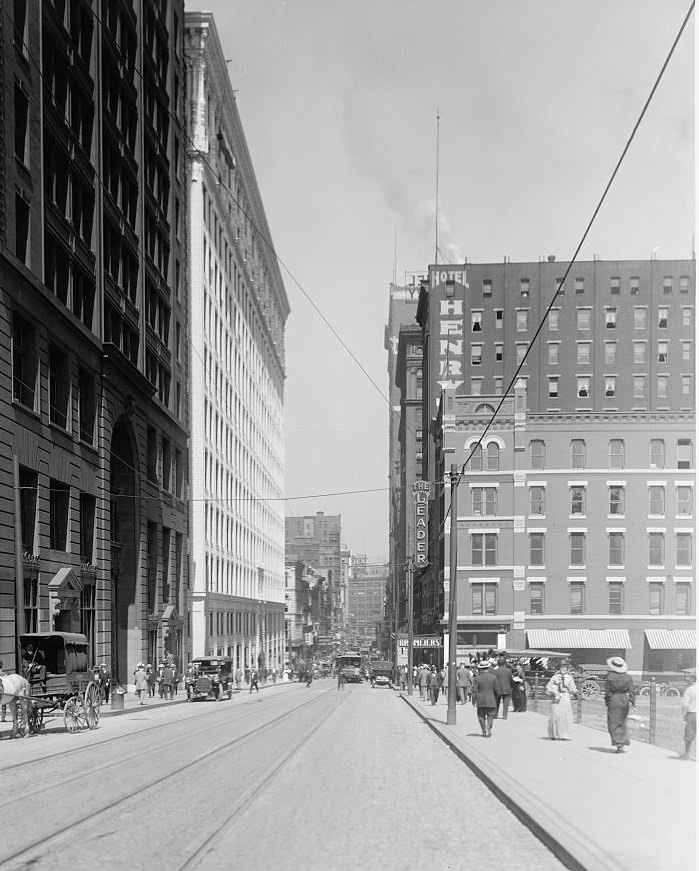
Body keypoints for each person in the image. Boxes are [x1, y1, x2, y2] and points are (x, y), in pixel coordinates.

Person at [604, 656, 636, 753]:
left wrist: (607, 701)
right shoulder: (628, 677)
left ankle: (618, 743)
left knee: (613, 722)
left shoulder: (609, 677)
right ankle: (622, 741)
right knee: (622, 721)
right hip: (624, 699)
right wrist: (633, 702)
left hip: (614, 699)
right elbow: (631, 691)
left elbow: (607, 691)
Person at [546, 661, 577, 739]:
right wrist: (554, 691)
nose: (564, 669)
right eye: (562, 667)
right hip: (556, 698)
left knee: (565, 716)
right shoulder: (555, 677)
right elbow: (548, 687)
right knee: (555, 715)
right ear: (559, 668)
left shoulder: (569, 678)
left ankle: (564, 735)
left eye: (565, 668)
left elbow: (572, 688)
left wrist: (575, 691)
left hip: (565, 697)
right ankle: (554, 734)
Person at [473, 660, 498, 737]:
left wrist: (473, 701)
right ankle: (489, 726)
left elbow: (474, 690)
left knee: (481, 716)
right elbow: (497, 690)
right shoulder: (493, 677)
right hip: (491, 700)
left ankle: (484, 730)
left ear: (480, 669)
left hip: (481, 700)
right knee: (490, 715)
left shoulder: (477, 678)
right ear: (488, 667)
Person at [681, 671, 696, 760]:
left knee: (689, 735)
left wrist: (684, 714)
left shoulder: (690, 690)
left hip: (692, 714)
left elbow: (685, 704)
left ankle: (687, 754)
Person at [494, 655, 513, 719]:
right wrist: (511, 686)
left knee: (496, 702)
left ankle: (495, 714)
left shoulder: (495, 671)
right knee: (506, 702)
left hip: (498, 688)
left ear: (498, 663)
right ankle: (505, 715)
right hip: (507, 688)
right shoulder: (509, 671)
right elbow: (511, 679)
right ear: (505, 663)